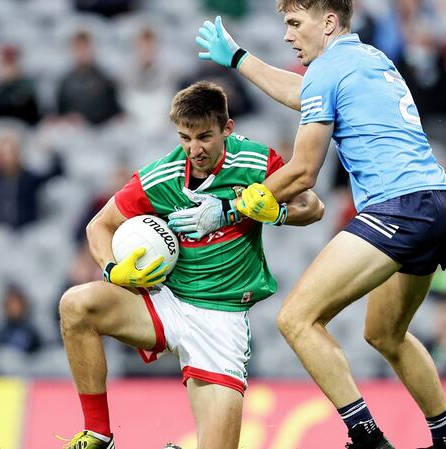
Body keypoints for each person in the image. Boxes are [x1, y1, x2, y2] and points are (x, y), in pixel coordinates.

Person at [176, 2, 446, 448]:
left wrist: (231, 208)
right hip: (442, 202)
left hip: (399, 207)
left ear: (328, 22)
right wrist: (238, 58)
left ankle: (367, 438)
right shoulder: (370, 58)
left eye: (295, 23)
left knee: (297, 319)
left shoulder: (330, 70)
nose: (288, 35)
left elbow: (303, 172)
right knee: (386, 334)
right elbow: (303, 92)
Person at [57, 81, 324, 449]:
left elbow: (313, 207)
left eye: (204, 137)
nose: (193, 149)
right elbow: (98, 225)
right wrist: (111, 269)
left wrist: (275, 212)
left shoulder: (256, 162)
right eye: (185, 137)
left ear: (227, 129)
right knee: (75, 305)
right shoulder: (160, 177)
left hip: (222, 319)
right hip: (168, 303)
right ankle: (98, 434)